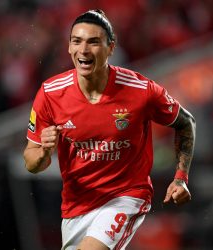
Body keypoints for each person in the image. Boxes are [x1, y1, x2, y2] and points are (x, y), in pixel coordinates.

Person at [23, 9, 196, 250]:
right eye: (77, 41)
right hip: (76, 206)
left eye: (93, 42)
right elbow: (31, 162)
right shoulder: (50, 94)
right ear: (69, 47)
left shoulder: (141, 90)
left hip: (126, 197)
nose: (83, 50)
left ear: (111, 47)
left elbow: (185, 123)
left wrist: (181, 178)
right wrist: (43, 153)